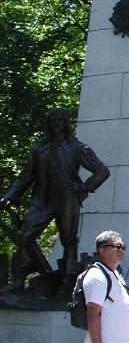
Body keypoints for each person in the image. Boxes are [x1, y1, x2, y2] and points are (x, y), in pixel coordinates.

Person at [0, 109, 110, 292]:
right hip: (41, 200)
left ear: (66, 123)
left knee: (69, 240)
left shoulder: (77, 148)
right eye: (53, 120)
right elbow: (24, 177)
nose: (57, 123)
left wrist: (84, 187)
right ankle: (18, 279)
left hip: (66, 199)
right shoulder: (39, 149)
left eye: (60, 120)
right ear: (48, 124)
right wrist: (10, 195)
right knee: (24, 237)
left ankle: (67, 282)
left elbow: (102, 170)